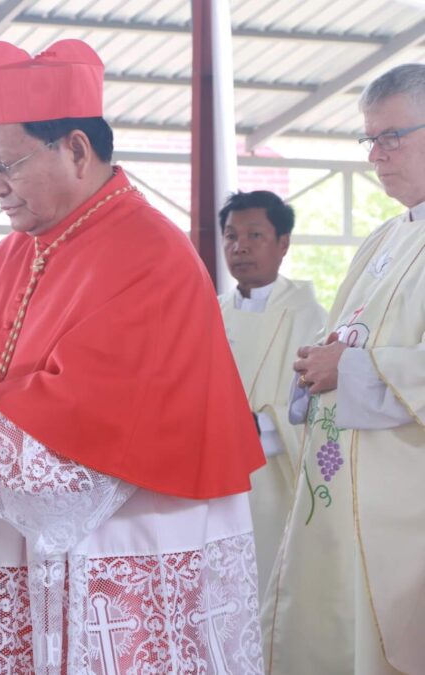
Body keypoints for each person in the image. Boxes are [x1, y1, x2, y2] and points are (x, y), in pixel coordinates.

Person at [0, 39, 265, 674]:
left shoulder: (154, 254)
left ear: (75, 148)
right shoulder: (17, 250)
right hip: (17, 542)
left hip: (120, 546)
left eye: (6, 166)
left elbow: (93, 408)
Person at [263, 64, 425, 674]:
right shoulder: (382, 240)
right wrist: (317, 366)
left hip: (407, 505)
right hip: (349, 490)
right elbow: (346, 338)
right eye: (369, 140)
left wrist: (349, 370)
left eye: (392, 137)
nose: (376, 156)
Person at [217, 190, 327, 593]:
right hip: (214, 477)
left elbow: (316, 406)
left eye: (254, 235)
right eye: (230, 236)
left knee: (266, 589)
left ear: (284, 243)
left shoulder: (308, 316)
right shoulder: (211, 312)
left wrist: (259, 425)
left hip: (274, 481)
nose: (239, 246)